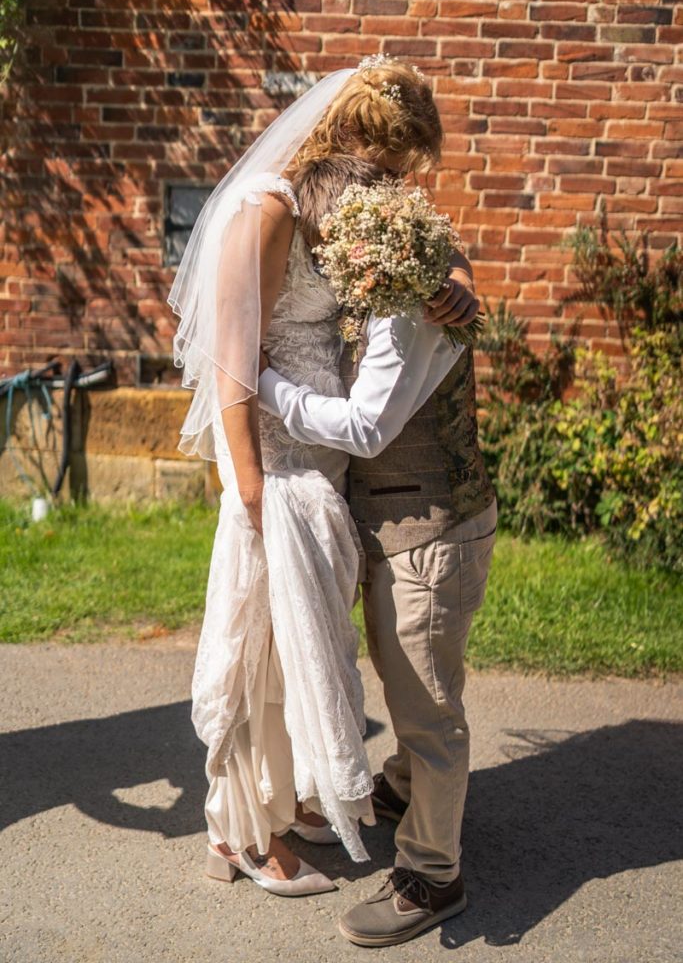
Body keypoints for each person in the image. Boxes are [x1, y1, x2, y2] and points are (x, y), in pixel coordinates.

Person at [167, 55, 479, 899]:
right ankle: (241, 835)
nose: (390, 191)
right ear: (350, 145)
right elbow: (229, 364)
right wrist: (252, 488)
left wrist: (451, 276)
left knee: (305, 645)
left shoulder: (340, 213)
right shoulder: (266, 210)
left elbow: (431, 254)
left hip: (325, 458)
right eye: (386, 172)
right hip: (278, 462)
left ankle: (282, 799)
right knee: (258, 650)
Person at [258, 154, 497, 944]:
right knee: (412, 688)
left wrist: (268, 388)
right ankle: (404, 787)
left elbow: (366, 427)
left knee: (428, 711)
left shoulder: (406, 305)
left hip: (430, 535)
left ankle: (432, 874)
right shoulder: (402, 286)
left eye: (326, 251)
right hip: (405, 528)